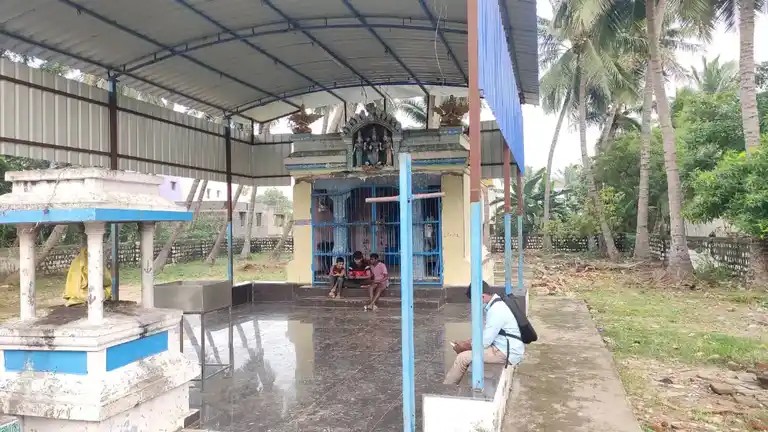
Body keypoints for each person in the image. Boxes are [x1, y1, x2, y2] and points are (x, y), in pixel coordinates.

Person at [443, 281, 524, 385]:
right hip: (503, 347)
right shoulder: (496, 305)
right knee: (468, 353)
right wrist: (465, 343)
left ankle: (447, 389)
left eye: (474, 302)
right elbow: (486, 336)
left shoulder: (496, 311)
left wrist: (464, 346)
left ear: (482, 297)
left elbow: (484, 342)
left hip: (506, 352)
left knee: (462, 358)